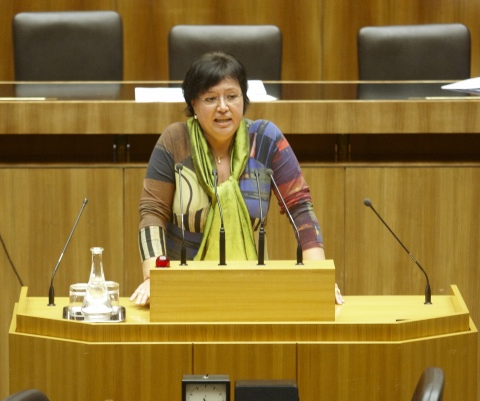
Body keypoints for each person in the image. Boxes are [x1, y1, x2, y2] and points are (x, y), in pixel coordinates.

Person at [130, 51, 343, 305]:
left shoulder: (265, 139)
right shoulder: (175, 140)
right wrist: (154, 276)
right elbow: (153, 212)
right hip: (181, 287)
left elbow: (299, 207)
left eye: (232, 96)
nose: (223, 107)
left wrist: (319, 276)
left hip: (250, 283)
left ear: (243, 99)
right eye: (210, 98)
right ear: (193, 105)